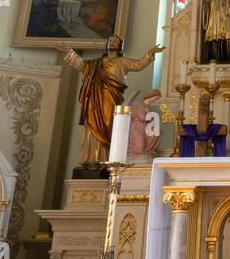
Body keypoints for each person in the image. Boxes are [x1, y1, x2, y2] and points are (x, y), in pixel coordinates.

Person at [61, 36, 162, 168]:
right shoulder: (95, 63)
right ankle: (91, 159)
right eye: (110, 40)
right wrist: (69, 52)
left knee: (109, 125)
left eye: (116, 41)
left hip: (111, 98)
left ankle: (107, 158)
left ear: (120, 46)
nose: (112, 42)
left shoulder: (122, 61)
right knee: (92, 126)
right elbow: (81, 64)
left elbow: (138, 64)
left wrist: (150, 54)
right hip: (94, 99)